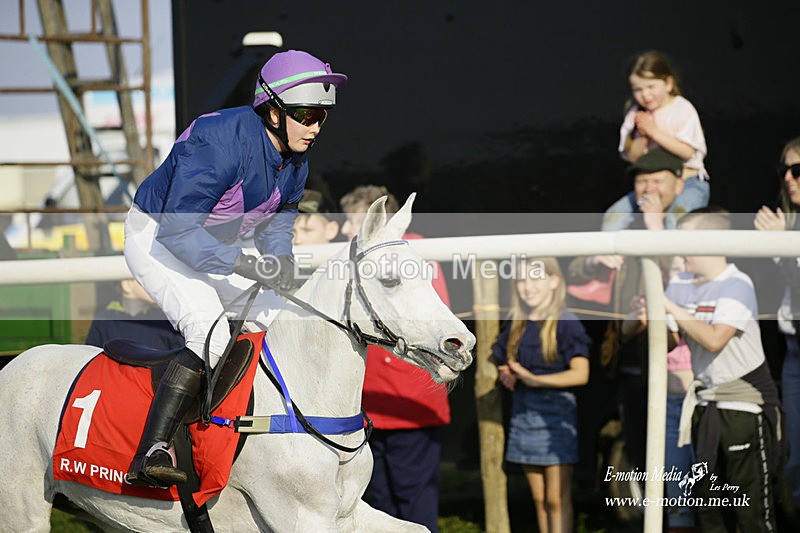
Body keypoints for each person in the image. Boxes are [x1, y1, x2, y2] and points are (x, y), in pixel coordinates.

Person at [123, 49, 347, 488]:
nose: (315, 126)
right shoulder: (219, 139)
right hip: (157, 238)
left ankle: (252, 431)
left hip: (215, 244)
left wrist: (279, 259)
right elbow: (178, 234)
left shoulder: (296, 158)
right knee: (208, 329)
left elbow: (283, 215)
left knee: (277, 315)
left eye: (322, 115)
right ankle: (153, 447)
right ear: (273, 111)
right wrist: (247, 263)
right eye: (306, 114)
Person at [569, 148, 686, 479]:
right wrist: (595, 261)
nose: (648, 189)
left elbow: (686, 269)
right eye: (641, 181)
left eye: (656, 180)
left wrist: (655, 228)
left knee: (682, 457)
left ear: (678, 185)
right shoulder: (622, 225)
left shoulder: (694, 222)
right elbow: (573, 268)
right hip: (631, 364)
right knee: (640, 451)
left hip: (682, 366)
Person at [663, 208, 783, 532]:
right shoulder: (680, 281)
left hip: (743, 406)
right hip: (705, 406)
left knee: (750, 511)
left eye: (685, 241)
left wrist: (670, 308)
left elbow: (715, 339)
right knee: (710, 510)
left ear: (711, 242)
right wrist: (644, 317)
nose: (680, 251)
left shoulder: (736, 283)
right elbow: (670, 341)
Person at [339, 185, 450, 532]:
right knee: (378, 507)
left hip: (408, 404)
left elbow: (429, 326)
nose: (345, 230)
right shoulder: (358, 258)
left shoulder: (411, 256)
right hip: (368, 408)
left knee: (414, 506)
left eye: (353, 222)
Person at [491, 257, 591, 533]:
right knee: (538, 499)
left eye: (535, 278)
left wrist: (535, 380)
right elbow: (503, 360)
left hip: (556, 418)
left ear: (554, 281)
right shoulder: (517, 322)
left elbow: (581, 374)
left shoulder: (565, 321)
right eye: (522, 280)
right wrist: (507, 372)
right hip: (524, 414)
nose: (527, 287)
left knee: (556, 498)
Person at [622, 255, 696, 532]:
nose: (679, 273)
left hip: (699, 401)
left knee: (710, 489)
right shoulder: (656, 297)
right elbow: (627, 330)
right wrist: (645, 316)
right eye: (674, 268)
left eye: (683, 267)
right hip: (665, 400)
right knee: (676, 490)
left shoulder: (699, 298)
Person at [603, 50, 709, 232]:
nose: (645, 95)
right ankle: (609, 258)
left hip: (687, 183)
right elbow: (633, 158)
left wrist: (654, 131)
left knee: (676, 219)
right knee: (613, 217)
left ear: (668, 83)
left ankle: (674, 260)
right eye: (638, 89)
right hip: (649, 188)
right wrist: (642, 133)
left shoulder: (682, 108)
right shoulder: (636, 114)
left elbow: (688, 152)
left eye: (651, 87)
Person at [754, 136, 800, 513]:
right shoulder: (788, 223)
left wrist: (782, 248)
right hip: (793, 355)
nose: (788, 178)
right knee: (795, 461)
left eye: (797, 170)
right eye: (784, 170)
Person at [85, 279, 185, 352]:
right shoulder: (105, 321)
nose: (155, 285)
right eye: (143, 278)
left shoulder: (166, 319)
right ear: (126, 285)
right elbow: (92, 357)